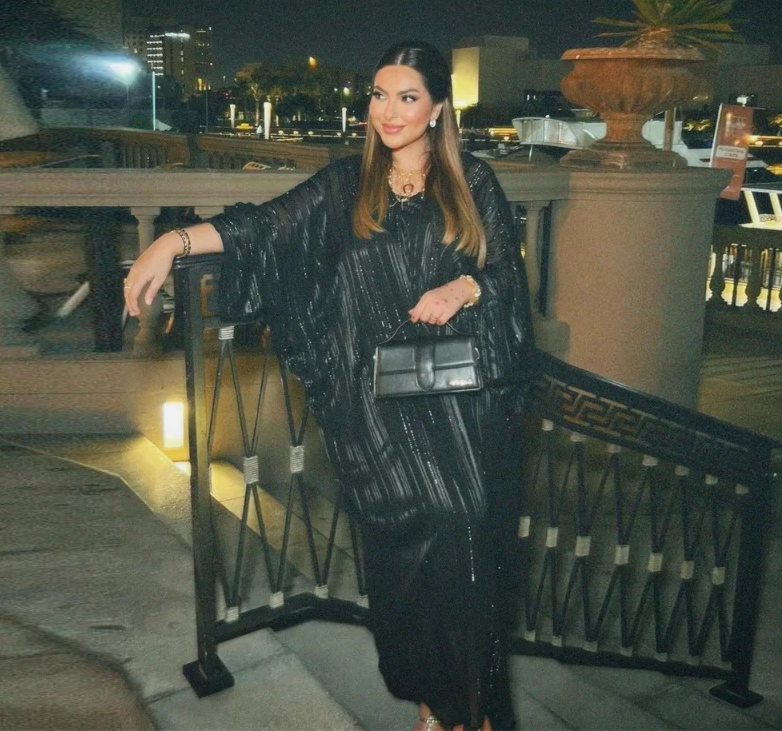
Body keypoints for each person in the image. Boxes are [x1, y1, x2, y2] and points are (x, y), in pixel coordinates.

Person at [124, 41, 534, 731]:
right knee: (404, 567)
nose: (389, 111)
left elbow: (507, 282)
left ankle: (469, 710)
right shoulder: (348, 185)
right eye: (379, 95)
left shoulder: (473, 182)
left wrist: (463, 288)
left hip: (460, 407)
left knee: (466, 545)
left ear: (438, 108)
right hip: (375, 410)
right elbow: (265, 226)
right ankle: (436, 701)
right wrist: (174, 242)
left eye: (408, 97)